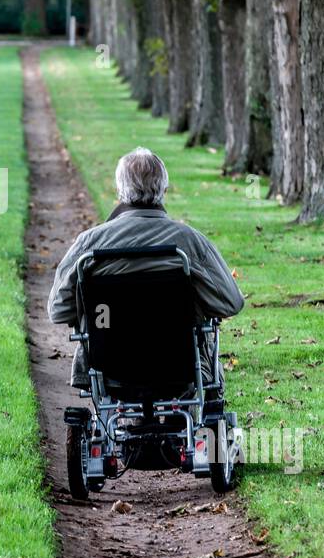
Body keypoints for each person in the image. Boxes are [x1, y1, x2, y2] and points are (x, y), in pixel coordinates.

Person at [48, 147, 245, 389]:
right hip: (179, 362)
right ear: (164, 189)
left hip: (109, 363)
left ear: (120, 191)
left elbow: (58, 310)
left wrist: (91, 310)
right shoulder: (189, 242)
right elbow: (231, 302)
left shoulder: (90, 245)